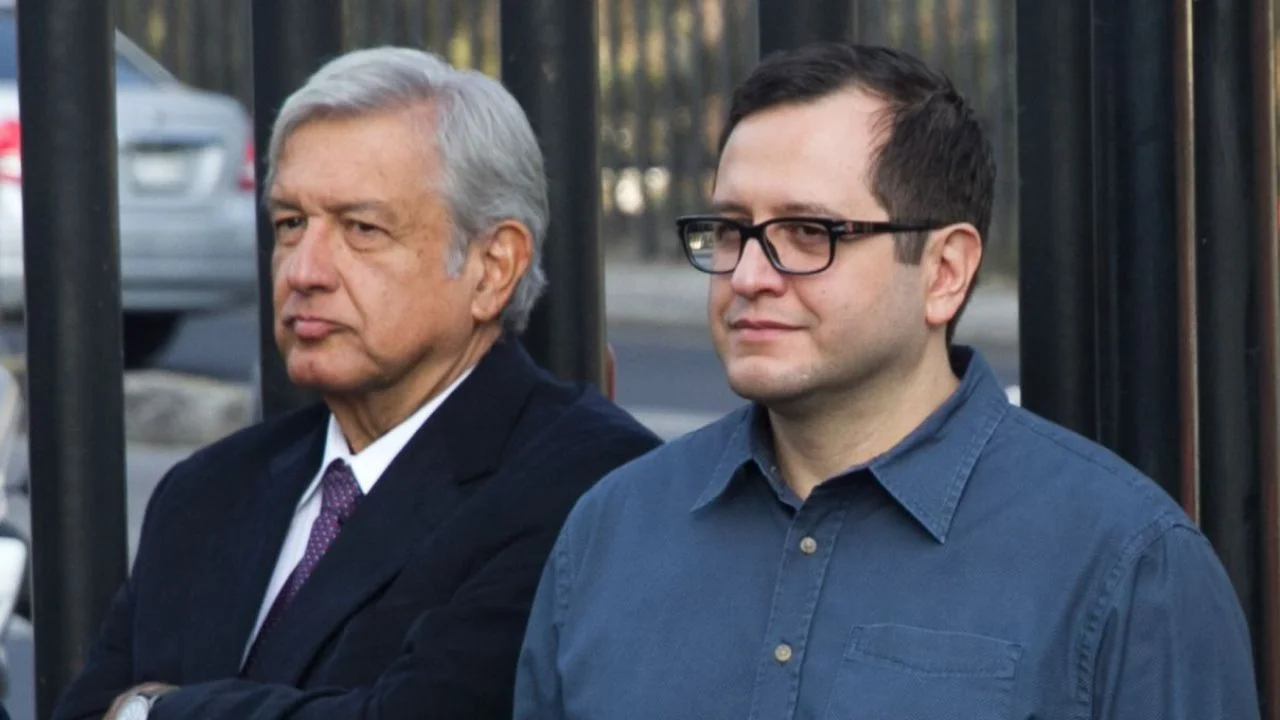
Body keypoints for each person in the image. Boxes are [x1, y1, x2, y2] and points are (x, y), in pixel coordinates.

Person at [514, 42, 1259, 719]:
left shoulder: (1126, 565)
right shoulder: (611, 533)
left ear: (945, 272)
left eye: (809, 232)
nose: (747, 276)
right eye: (732, 229)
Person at [52, 46, 660, 720]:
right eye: (290, 224)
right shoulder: (207, 492)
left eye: (361, 228)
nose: (304, 270)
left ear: (493, 266)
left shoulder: (589, 486)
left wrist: (152, 712)